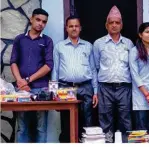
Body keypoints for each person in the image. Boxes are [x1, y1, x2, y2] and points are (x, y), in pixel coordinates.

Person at [52, 15, 98, 143]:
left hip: (86, 87)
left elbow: (93, 70)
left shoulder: (88, 46)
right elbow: (55, 70)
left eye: (76, 26)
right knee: (67, 123)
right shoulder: (59, 46)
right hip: (65, 88)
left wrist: (95, 91)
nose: (74, 28)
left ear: (80, 28)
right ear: (66, 28)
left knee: (87, 121)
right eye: (71, 26)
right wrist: (53, 92)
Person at [10, 8, 53, 143]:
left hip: (41, 89)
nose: (41, 24)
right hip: (22, 90)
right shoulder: (19, 39)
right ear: (31, 19)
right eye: (38, 20)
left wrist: (28, 80)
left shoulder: (47, 41)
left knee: (41, 128)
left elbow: (48, 66)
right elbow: (13, 62)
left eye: (44, 22)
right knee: (22, 127)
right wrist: (20, 82)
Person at [93, 6, 134, 143]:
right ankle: (108, 144)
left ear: (121, 25)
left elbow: (132, 67)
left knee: (125, 119)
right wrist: (95, 90)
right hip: (105, 88)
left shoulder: (129, 44)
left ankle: (124, 144)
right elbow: (95, 67)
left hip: (124, 87)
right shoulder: (98, 44)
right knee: (105, 120)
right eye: (111, 23)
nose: (114, 25)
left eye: (117, 22)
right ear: (106, 25)